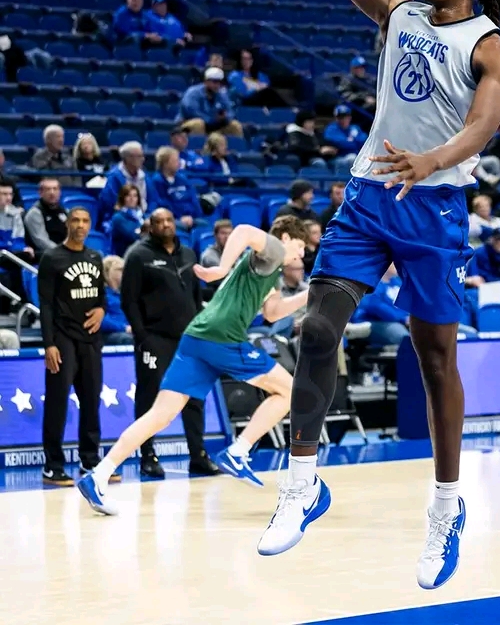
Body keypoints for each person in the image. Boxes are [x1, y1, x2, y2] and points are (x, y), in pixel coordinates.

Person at [258, 0, 500, 591]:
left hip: (433, 207)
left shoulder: (493, 50)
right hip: (370, 195)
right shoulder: (398, 11)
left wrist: (435, 159)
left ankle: (445, 508)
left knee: (434, 359)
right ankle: (302, 484)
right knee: (317, 329)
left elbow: (484, 125)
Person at [77, 217, 309, 515]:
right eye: (300, 246)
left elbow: (273, 313)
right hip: (222, 337)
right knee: (289, 391)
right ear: (286, 238)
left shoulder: (271, 268)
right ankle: (239, 450)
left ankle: (98, 475)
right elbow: (243, 230)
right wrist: (221, 268)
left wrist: (310, 294)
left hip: (196, 336)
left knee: (160, 415)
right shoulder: (274, 248)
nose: (302, 254)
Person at [121, 208, 216, 478]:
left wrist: (200, 331)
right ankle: (147, 455)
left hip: (188, 338)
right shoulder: (138, 256)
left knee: (194, 397)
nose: (165, 225)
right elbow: (129, 301)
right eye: (159, 221)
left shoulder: (189, 254)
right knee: (150, 397)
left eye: (169, 220)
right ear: (151, 226)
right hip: (155, 338)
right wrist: (143, 337)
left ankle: (198, 455)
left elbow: (196, 298)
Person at [39, 208, 108, 485]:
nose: (81, 225)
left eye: (85, 221)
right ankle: (52, 465)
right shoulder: (52, 257)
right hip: (62, 339)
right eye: (76, 220)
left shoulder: (95, 257)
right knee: (57, 402)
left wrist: (102, 310)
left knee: (91, 401)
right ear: (68, 224)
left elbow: (102, 297)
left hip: (90, 339)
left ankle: (89, 459)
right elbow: (45, 305)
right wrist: (49, 344)